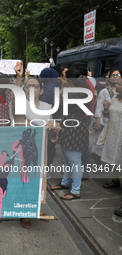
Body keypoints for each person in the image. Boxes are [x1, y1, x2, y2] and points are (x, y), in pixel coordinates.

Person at [51, 69, 90, 200]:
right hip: (72, 128)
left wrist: (61, 90)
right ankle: (65, 182)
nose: (61, 80)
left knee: (74, 160)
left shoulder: (73, 93)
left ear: (70, 81)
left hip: (73, 129)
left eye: (64, 78)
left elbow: (56, 105)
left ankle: (76, 190)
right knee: (68, 158)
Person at [92, 68, 120, 168]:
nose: (115, 77)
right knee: (98, 144)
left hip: (115, 125)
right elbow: (99, 107)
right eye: (113, 75)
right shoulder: (105, 91)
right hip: (104, 122)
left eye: (117, 75)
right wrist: (97, 122)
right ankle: (98, 164)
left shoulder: (120, 93)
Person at [100, 76, 122, 188]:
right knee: (114, 157)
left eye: (119, 84)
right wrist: (106, 108)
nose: (116, 86)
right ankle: (115, 179)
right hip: (113, 133)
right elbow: (106, 115)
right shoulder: (114, 99)